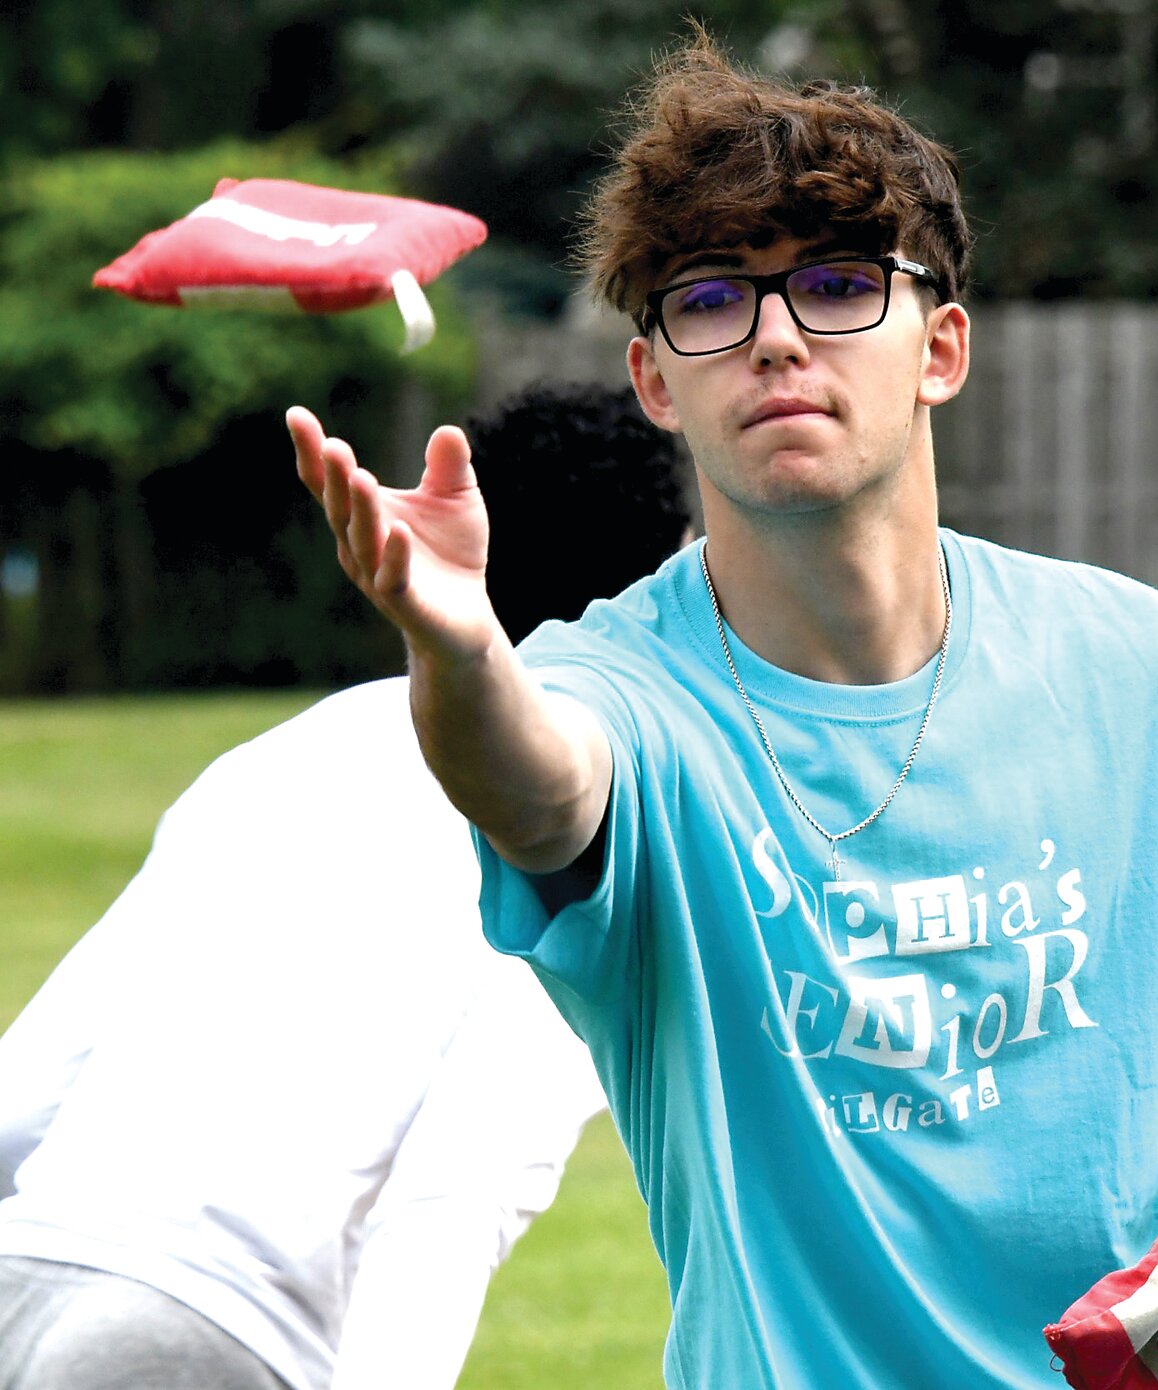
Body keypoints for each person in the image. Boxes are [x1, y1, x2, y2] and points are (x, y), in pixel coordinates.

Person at [288, 32, 1158, 1390]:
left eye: (837, 285)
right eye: (710, 300)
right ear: (654, 384)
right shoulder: (620, 693)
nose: (778, 336)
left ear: (941, 347)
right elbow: (540, 785)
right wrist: (456, 652)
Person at [0, 382, 690, 1390]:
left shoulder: (289, 750)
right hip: (201, 1331)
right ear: (656, 580)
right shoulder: (579, 834)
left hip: (27, 1270)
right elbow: (454, 1193)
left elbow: (33, 1080)